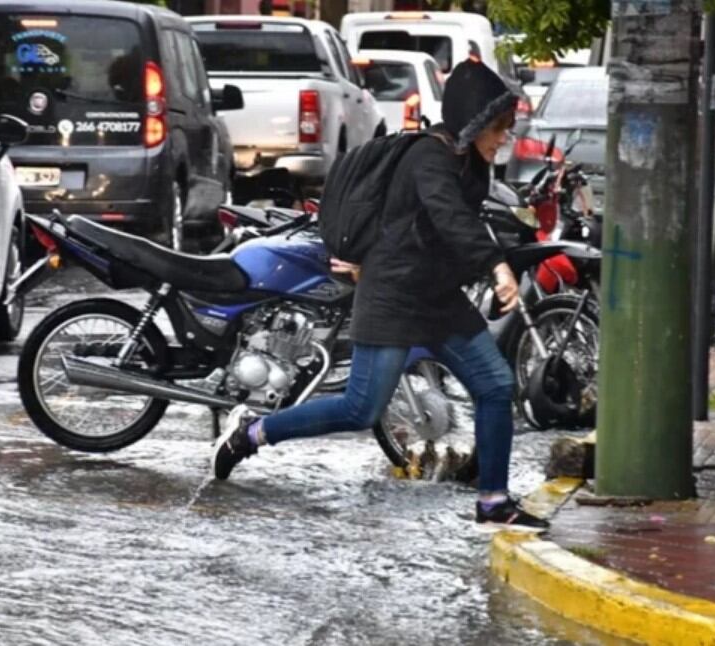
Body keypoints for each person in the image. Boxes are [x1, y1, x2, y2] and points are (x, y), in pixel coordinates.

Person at [211, 60, 549, 532]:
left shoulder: (468, 161)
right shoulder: (429, 158)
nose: (504, 138)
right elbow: (450, 217)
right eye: (498, 128)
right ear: (473, 121)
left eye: (508, 129)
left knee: (495, 386)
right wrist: (495, 265)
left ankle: (493, 501)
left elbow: (436, 227)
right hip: (393, 296)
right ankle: (251, 433)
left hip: (438, 300)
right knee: (360, 409)